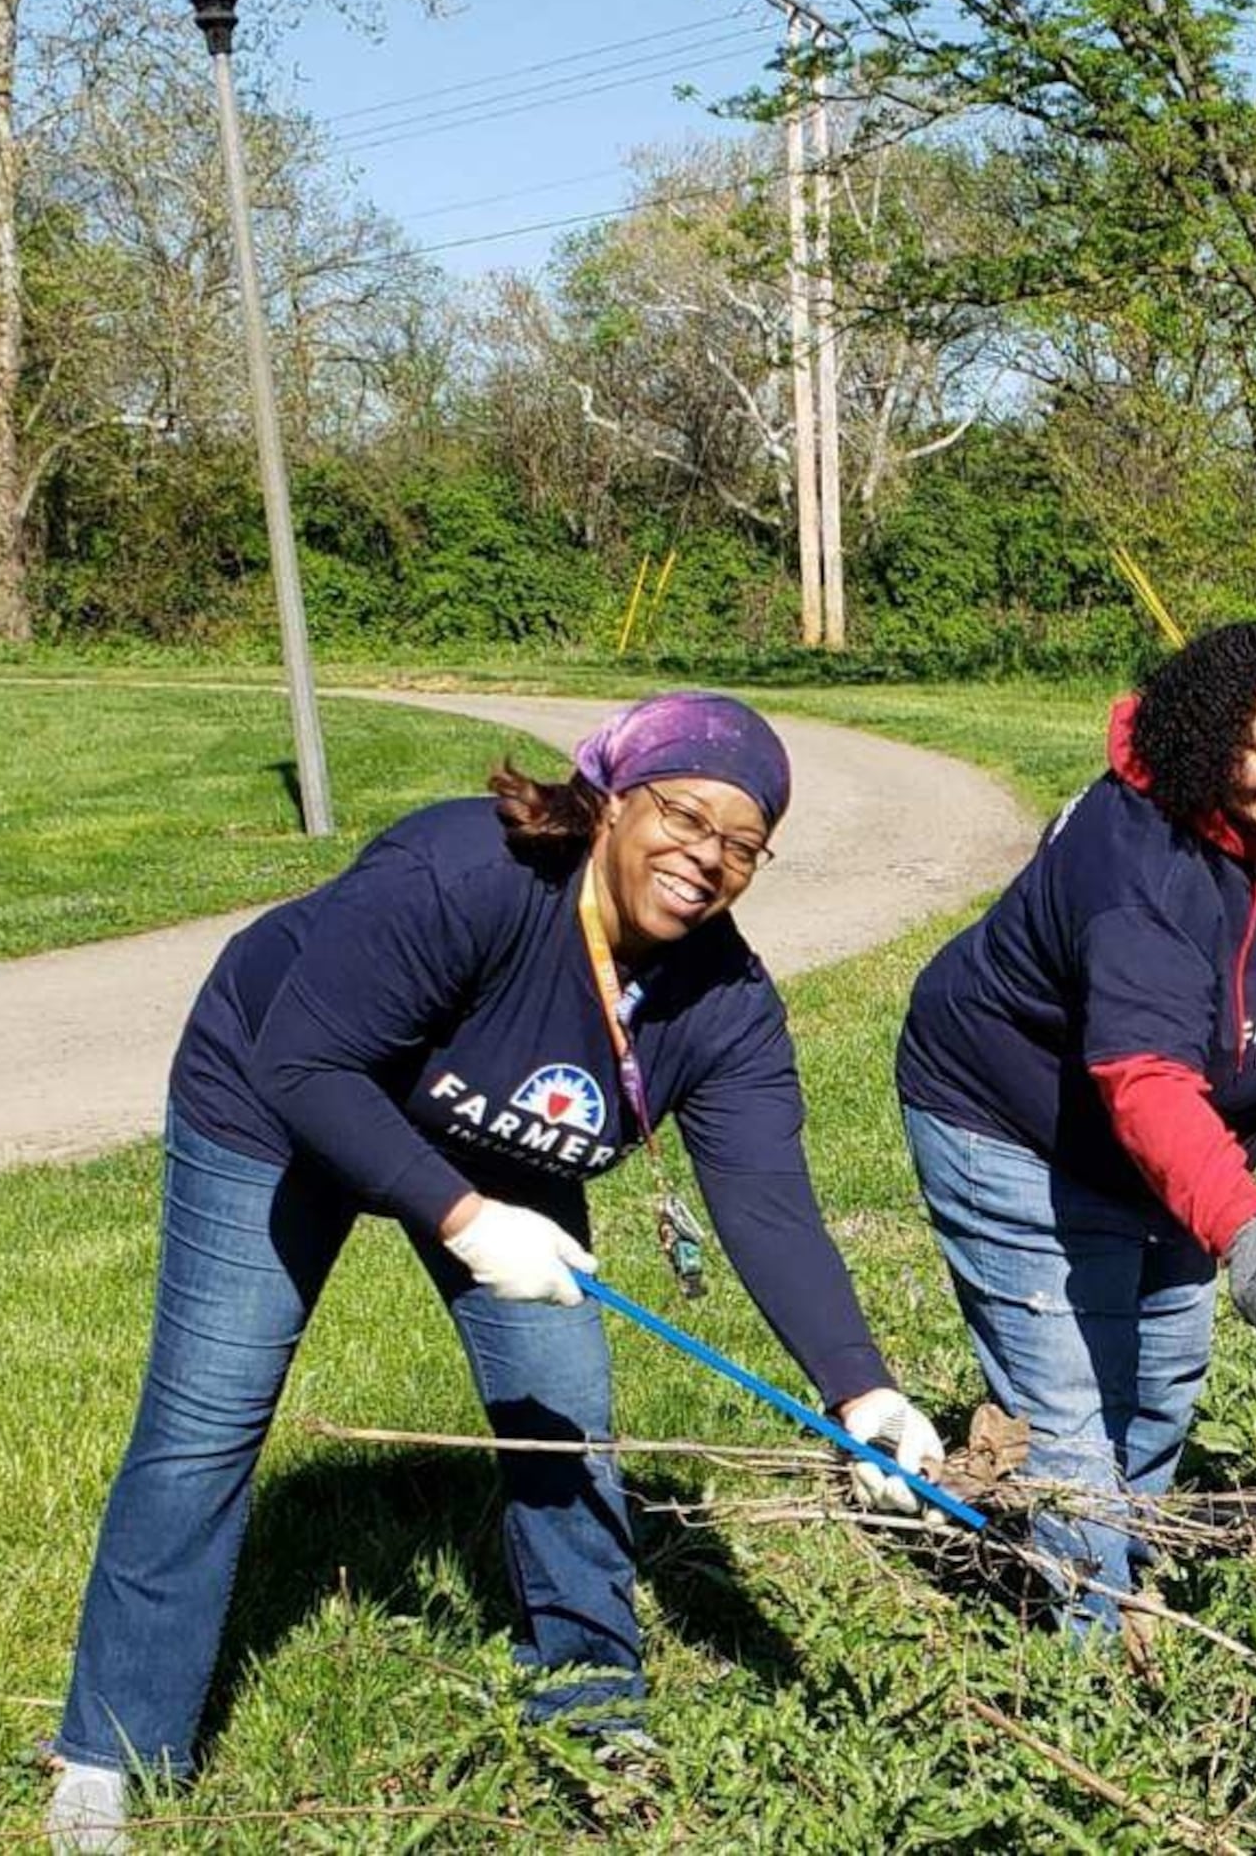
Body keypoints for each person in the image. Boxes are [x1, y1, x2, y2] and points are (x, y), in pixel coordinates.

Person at [46, 691, 943, 1848]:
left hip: (497, 1139)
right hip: (279, 1094)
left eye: (742, 841)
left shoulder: (723, 1004)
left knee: (565, 1413)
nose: (706, 857)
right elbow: (306, 1059)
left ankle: (592, 1703)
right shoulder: (463, 873)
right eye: (683, 814)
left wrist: (858, 1389)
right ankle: (109, 1749)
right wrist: (464, 1218)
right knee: (208, 1414)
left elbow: (769, 1204)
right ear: (613, 799)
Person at [897, 623, 1256, 1631]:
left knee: (1161, 1378)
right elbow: (1146, 1078)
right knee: (1075, 1421)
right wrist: (1246, 1227)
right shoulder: (1138, 875)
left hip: (1161, 1153)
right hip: (1012, 1128)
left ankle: (1127, 1572)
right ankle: (1093, 1671)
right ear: (1204, 746)